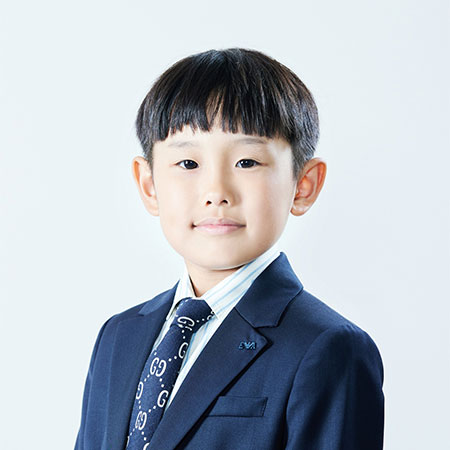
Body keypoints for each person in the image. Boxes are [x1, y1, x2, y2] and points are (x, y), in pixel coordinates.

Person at [74, 48, 384, 450]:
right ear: (149, 185)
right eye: (188, 164)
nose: (216, 192)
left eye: (247, 162)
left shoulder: (328, 348)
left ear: (303, 185)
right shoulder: (119, 336)